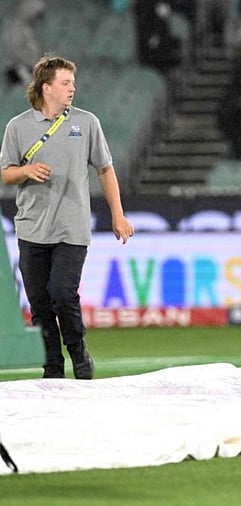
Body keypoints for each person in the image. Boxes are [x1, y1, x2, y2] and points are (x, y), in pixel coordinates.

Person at [0, 55, 135, 379]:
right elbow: (6, 174)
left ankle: (78, 353)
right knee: (40, 304)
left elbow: (105, 168)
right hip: (32, 228)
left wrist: (118, 214)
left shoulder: (87, 123)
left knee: (62, 293)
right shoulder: (18, 126)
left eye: (72, 82)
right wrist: (27, 171)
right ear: (47, 88)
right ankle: (53, 367)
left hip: (72, 228)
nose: (72, 88)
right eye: (65, 82)